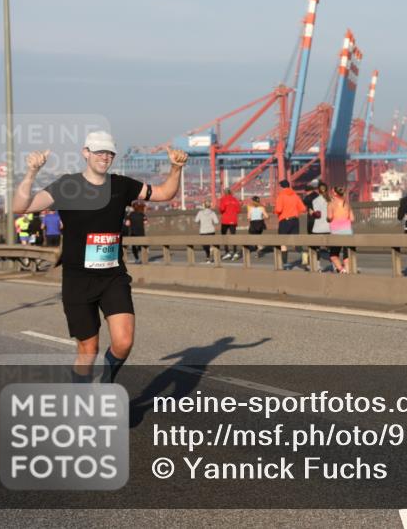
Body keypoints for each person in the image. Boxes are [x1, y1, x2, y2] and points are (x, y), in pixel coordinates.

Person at [12, 130, 188, 383]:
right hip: (77, 279)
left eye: (109, 153)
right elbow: (21, 207)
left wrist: (175, 168)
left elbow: (163, 193)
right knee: (88, 350)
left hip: (112, 275)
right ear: (86, 153)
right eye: (99, 152)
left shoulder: (122, 185)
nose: (104, 157)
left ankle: (106, 383)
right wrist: (31, 173)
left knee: (124, 341)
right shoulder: (66, 185)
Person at [274, 179, 307, 270]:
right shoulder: (295, 195)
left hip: (284, 221)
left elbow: (279, 210)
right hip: (295, 220)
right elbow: (303, 209)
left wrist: (276, 211)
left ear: (281, 187)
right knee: (295, 242)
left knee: (283, 243)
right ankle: (304, 256)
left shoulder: (281, 195)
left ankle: (285, 265)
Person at [327, 186, 354, 274]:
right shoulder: (347, 204)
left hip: (336, 232)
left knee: (333, 255)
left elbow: (330, 217)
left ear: (334, 193)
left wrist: (328, 219)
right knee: (347, 254)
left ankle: (342, 270)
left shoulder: (331, 204)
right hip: (348, 232)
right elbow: (353, 219)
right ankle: (347, 270)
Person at [310, 182, 332, 270]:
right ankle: (335, 266)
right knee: (331, 248)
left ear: (318, 190)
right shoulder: (331, 200)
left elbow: (318, 215)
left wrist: (312, 213)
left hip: (318, 228)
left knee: (316, 248)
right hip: (330, 227)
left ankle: (317, 266)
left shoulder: (315, 200)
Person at [218, 189, 241, 260]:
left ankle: (227, 252)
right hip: (233, 220)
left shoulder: (223, 199)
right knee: (233, 236)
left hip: (225, 220)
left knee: (224, 236)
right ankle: (235, 252)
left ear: (224, 193)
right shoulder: (235, 199)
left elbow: (221, 209)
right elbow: (238, 210)